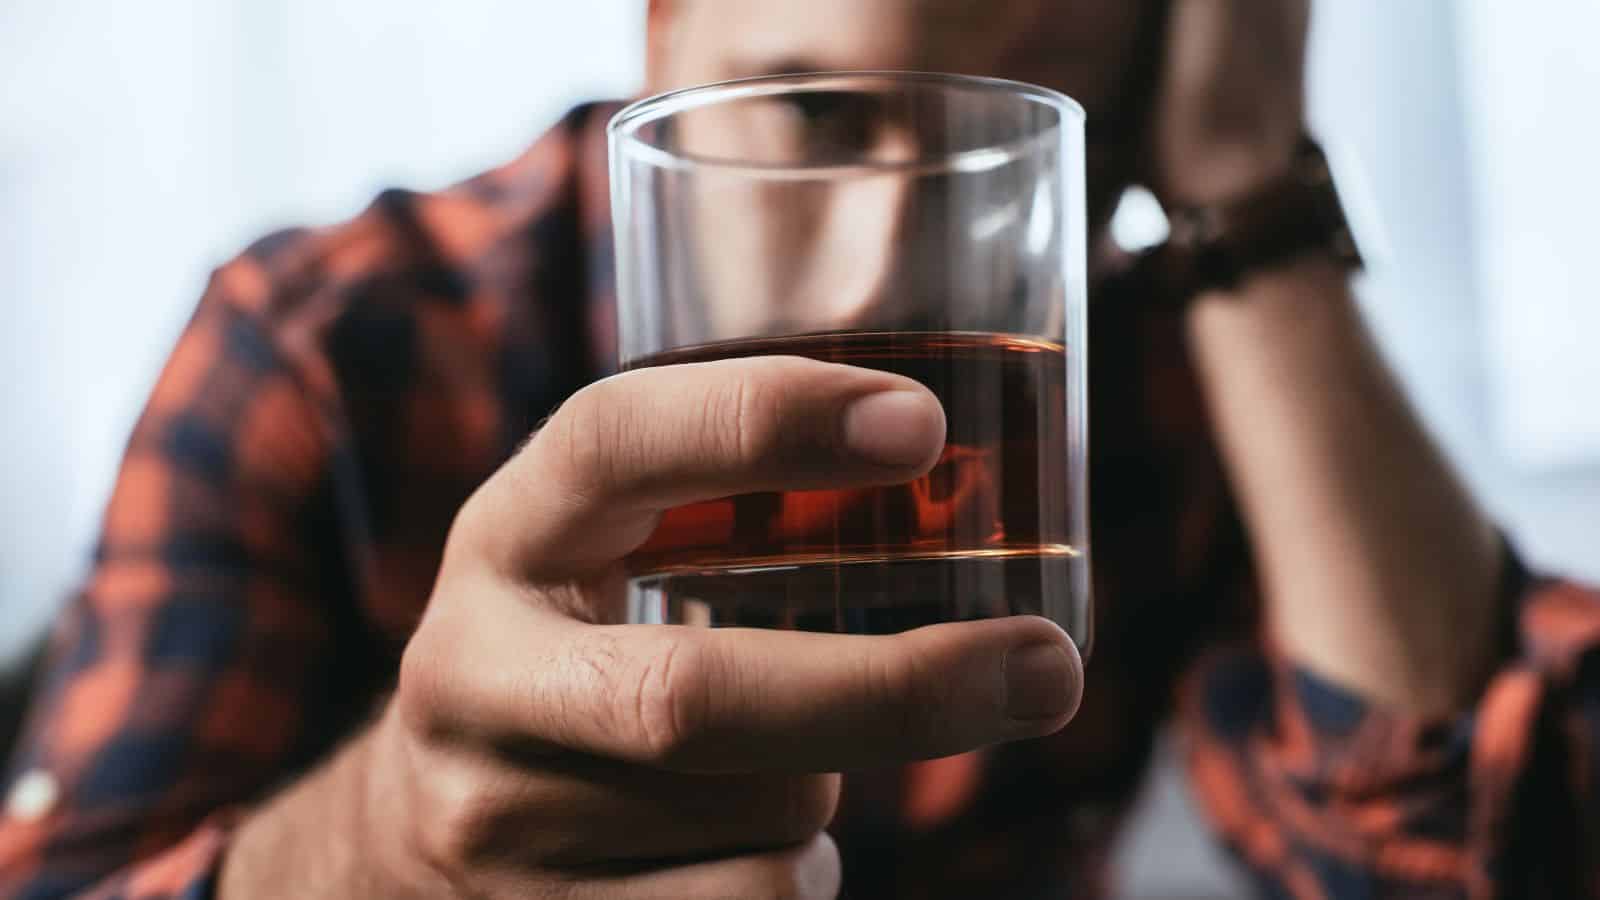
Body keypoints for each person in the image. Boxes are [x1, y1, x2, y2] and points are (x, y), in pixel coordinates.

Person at [2, 0, 1597, 897]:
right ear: (659, 31)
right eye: (809, 123)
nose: (860, 285)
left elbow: (1474, 858)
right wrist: (385, 847)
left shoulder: (1146, 377)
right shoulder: (324, 359)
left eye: (994, 165)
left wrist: (1245, 189)